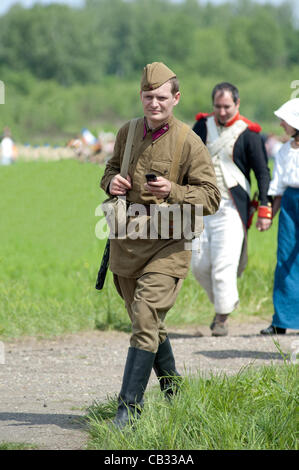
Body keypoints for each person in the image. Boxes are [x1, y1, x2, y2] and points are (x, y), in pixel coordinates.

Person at [100, 62, 221, 429]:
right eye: (148, 96)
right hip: (127, 244)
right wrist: (112, 184)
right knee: (149, 323)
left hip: (169, 246)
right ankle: (175, 393)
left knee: (144, 318)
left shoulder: (189, 141)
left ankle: (128, 411)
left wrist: (175, 190)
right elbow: (107, 171)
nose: (154, 103)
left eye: (162, 97)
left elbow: (211, 197)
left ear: (176, 98)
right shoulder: (128, 132)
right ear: (141, 96)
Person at [191, 82, 272, 337]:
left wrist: (265, 207)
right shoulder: (202, 126)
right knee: (199, 265)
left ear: (237, 104)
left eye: (227, 106)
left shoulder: (249, 133)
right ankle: (225, 301)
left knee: (224, 266)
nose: (222, 111)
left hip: (231, 208)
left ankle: (222, 317)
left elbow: (262, 172)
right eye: (218, 106)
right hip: (201, 206)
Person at [260, 99, 299, 335]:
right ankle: (282, 319)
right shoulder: (285, 150)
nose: (281, 124)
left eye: (285, 119)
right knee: (285, 259)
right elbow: (278, 189)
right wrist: (269, 216)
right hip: (290, 207)